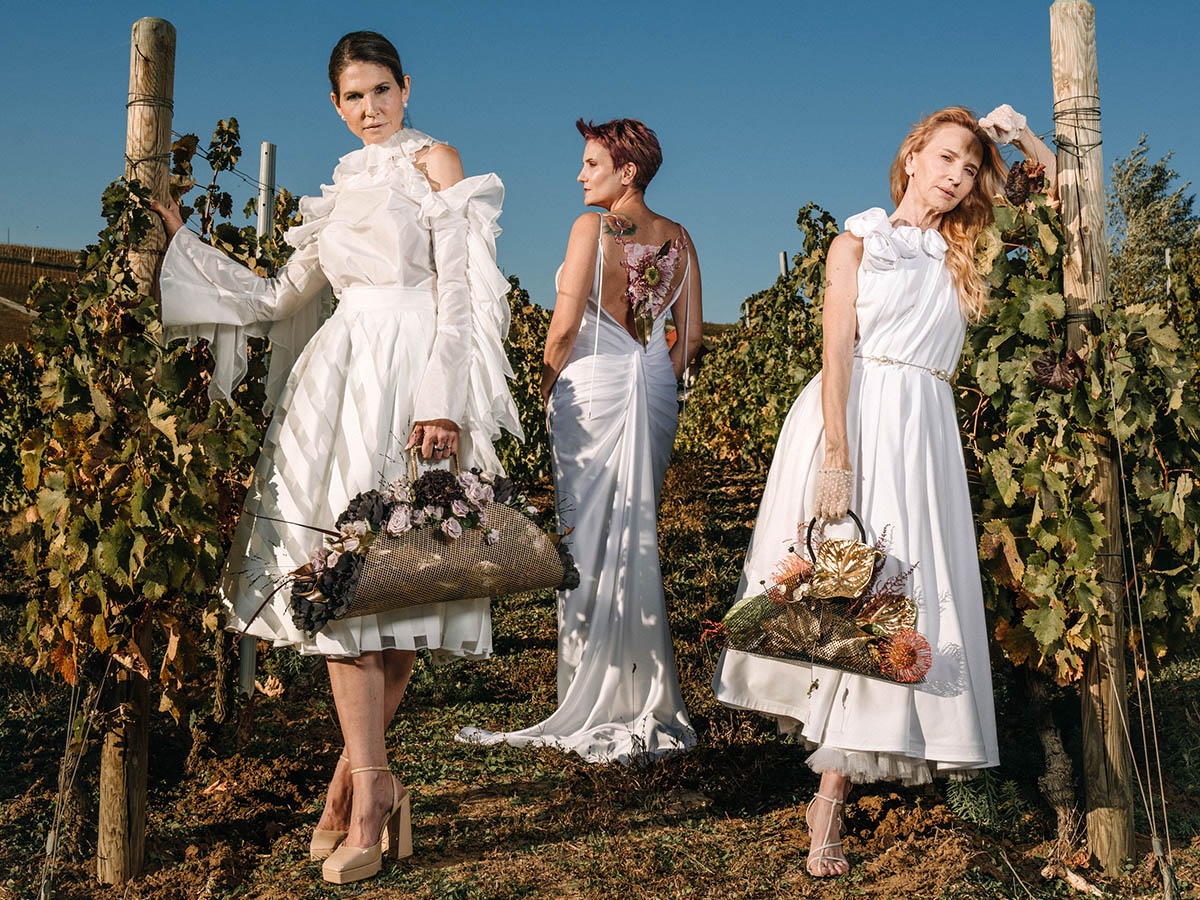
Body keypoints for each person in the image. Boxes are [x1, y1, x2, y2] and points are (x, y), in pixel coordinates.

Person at [150, 31, 521, 885]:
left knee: (393, 585)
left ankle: (360, 793)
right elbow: (282, 296)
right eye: (354, 97)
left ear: (405, 86)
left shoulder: (436, 160)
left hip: (414, 376)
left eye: (382, 90)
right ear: (335, 104)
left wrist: (442, 399)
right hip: (340, 379)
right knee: (343, 587)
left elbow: (462, 288)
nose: (370, 109)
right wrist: (186, 245)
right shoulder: (342, 186)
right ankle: (366, 788)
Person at [711, 105, 1052, 876]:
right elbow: (837, 347)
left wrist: (1021, 136)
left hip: (924, 428)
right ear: (912, 156)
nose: (958, 174)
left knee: (897, 601)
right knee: (843, 599)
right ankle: (828, 799)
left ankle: (832, 786)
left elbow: (1061, 195)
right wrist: (837, 456)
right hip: (856, 421)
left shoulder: (967, 242)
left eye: (970, 166)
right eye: (946, 158)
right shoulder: (857, 240)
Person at [459, 118, 702, 764]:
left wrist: (544, 390)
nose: (579, 174)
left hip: (591, 390)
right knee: (635, 535)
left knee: (586, 542)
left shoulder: (591, 230)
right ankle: (638, 693)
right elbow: (689, 342)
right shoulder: (680, 239)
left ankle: (590, 692)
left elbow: (563, 330)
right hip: (650, 386)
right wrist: (651, 381)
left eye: (592, 164)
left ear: (627, 172)